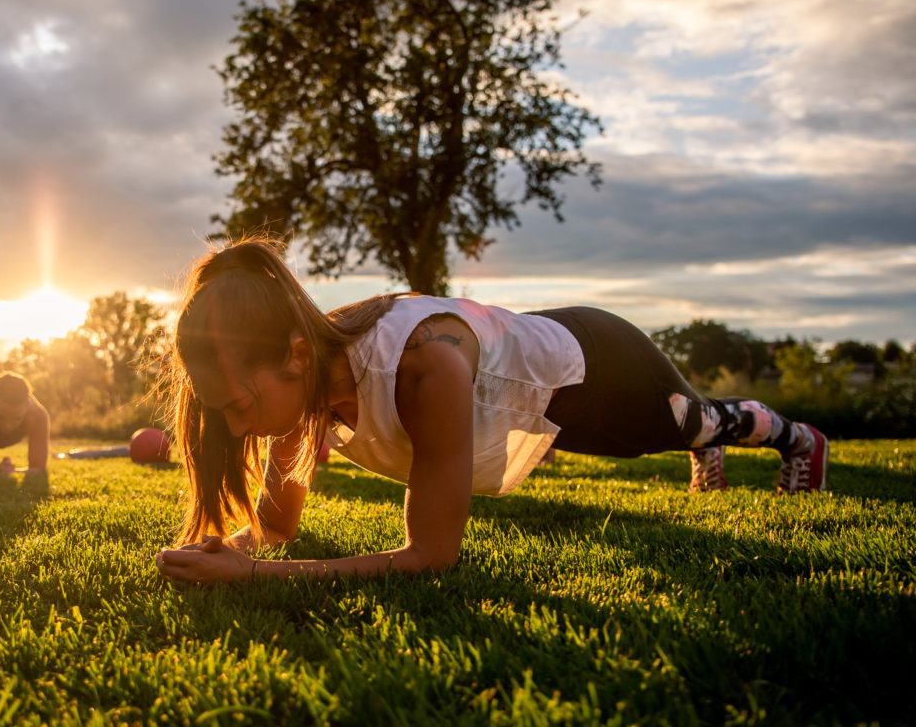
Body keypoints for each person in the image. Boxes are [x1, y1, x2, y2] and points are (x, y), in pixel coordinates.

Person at [154, 239, 829, 585]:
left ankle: (796, 438)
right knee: (685, 427)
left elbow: (432, 555)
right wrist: (232, 546)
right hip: (534, 379)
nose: (240, 427)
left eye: (241, 405)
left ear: (296, 355)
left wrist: (255, 577)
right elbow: (276, 525)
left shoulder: (423, 367)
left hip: (600, 367)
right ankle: (705, 441)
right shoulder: (304, 376)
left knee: (690, 421)